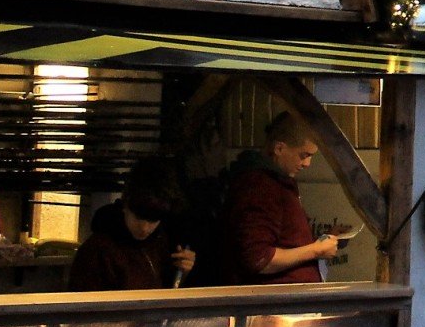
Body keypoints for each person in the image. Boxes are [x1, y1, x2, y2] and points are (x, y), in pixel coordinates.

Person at [219, 113, 338, 285]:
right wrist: (316, 250)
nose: (307, 164)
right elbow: (259, 259)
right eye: (303, 155)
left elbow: (284, 241)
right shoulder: (259, 187)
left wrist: (324, 241)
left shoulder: (277, 183)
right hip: (277, 305)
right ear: (279, 148)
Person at [68, 162, 197, 291]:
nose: (144, 228)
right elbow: (82, 306)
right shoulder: (97, 251)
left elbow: (165, 295)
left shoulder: (159, 242)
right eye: (139, 217)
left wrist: (181, 273)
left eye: (153, 220)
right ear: (125, 204)